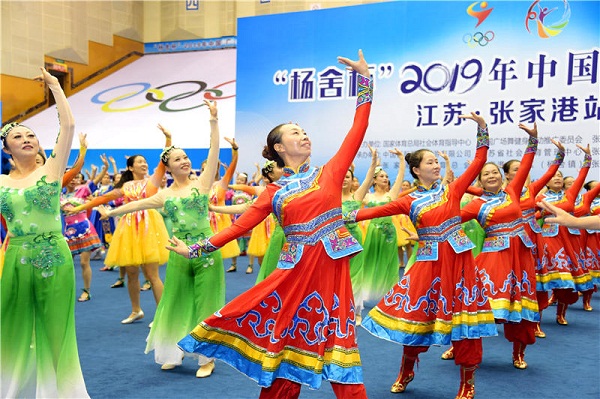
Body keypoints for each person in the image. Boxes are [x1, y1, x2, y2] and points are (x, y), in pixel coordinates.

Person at [166, 50, 372, 399]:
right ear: (279, 147)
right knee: (284, 366)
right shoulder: (273, 192)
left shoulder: (330, 173)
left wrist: (365, 80)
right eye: (296, 132)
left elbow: (359, 127)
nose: (304, 136)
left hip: (331, 280)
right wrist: (195, 249)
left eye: (305, 131)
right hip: (292, 282)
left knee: (343, 364)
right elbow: (237, 228)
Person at [344, 112, 497, 399]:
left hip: (461, 264)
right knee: (417, 317)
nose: (436, 165)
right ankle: (406, 369)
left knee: (466, 324)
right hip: (428, 266)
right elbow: (371, 212)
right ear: (417, 170)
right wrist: (338, 214)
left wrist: (483, 129)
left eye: (437, 162)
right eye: (430, 162)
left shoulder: (452, 190)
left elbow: (478, 161)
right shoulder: (409, 200)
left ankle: (467, 382)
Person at [98, 100, 225, 377]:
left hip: (205, 250)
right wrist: (111, 211)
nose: (185, 160)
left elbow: (214, 151)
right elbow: (136, 205)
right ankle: (172, 351)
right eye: (178, 158)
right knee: (175, 301)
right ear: (167, 167)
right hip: (178, 252)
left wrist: (213, 120)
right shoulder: (165, 195)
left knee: (206, 303)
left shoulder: (202, 184)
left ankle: (206, 358)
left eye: (186, 157)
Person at [0, 67, 89, 398]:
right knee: (12, 326)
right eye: (17, 137)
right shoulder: (1, 183)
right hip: (15, 260)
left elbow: (68, 126)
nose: (26, 140)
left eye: (30, 135)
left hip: (54, 257)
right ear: (7, 149)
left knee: (56, 329)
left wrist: (55, 87)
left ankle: (64, 393)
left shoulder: (51, 171)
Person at [68, 127, 172, 324]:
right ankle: (136, 310)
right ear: (131, 167)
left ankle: (162, 314)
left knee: (152, 274)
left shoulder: (153, 181)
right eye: (139, 162)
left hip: (149, 228)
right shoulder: (124, 187)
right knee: (132, 273)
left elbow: (163, 163)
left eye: (144, 162)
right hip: (129, 230)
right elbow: (103, 199)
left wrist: (168, 139)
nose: (144, 164)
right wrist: (80, 207)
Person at [459, 123, 539, 370]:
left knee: (522, 307)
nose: (492, 175)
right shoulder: (475, 205)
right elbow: (449, 221)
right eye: (486, 174)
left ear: (502, 177)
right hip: (494, 258)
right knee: (479, 304)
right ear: (480, 181)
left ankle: (518, 353)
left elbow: (525, 164)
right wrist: (424, 233)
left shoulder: (513, 191)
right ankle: (461, 347)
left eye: (495, 172)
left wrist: (533, 139)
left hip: (522, 256)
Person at [502, 135, 565, 338]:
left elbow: (549, 174)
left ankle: (534, 323)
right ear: (507, 175)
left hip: (532, 243)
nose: (522, 171)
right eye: (516, 169)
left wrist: (560, 154)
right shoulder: (499, 195)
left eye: (523, 168)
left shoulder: (530, 190)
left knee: (535, 285)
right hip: (507, 244)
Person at [535, 146, 593, 325]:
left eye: (560, 176)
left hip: (569, 241)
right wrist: (543, 214)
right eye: (554, 176)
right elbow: (530, 216)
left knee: (567, 282)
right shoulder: (540, 199)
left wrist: (587, 158)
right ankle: (536, 322)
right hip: (548, 242)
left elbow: (582, 177)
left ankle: (561, 314)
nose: (558, 178)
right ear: (546, 181)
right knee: (544, 282)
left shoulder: (569, 196)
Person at [342, 144, 378, 324]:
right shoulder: (330, 197)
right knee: (338, 277)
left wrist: (373, 163)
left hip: (354, 241)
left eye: (347, 177)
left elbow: (369, 179)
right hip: (334, 242)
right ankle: (339, 308)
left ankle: (356, 311)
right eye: (342, 176)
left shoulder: (357, 196)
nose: (344, 180)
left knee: (355, 276)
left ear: (351, 179)